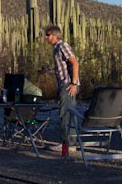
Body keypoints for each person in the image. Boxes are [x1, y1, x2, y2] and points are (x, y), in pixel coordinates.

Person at [44, 24, 80, 153]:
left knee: (66, 113)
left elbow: (75, 62)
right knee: (67, 113)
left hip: (68, 85)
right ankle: (69, 143)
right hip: (64, 85)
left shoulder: (62, 46)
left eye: (47, 35)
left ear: (54, 35)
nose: (45, 38)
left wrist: (74, 83)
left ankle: (68, 145)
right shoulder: (56, 48)